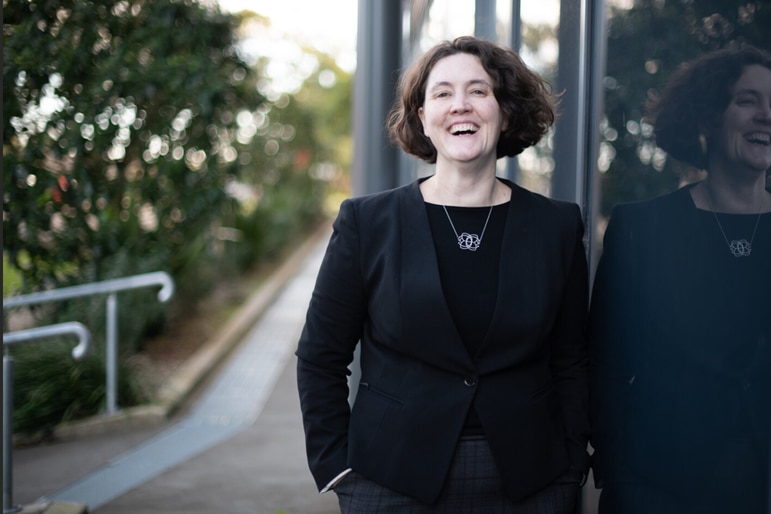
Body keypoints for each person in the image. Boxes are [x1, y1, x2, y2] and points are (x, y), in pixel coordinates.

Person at [296, 35, 590, 513]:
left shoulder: (556, 225)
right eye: (443, 93)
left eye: (479, 91)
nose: (461, 106)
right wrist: (336, 467)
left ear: (506, 112)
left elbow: (572, 357)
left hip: (532, 481)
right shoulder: (367, 223)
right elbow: (320, 356)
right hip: (389, 479)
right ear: (422, 119)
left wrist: (573, 461)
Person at [588, 45, 771, 514]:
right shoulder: (643, 228)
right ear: (707, 117)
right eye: (747, 100)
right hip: (657, 485)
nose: (765, 115)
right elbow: (603, 360)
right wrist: (618, 469)